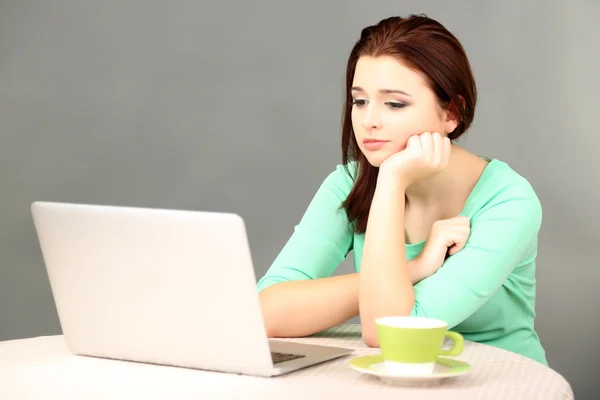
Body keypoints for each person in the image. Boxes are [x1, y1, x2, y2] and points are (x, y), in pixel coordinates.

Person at [256, 14, 548, 366]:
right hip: (397, 380)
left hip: (497, 380)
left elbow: (387, 332)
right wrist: (417, 266)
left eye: (394, 104)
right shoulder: (350, 183)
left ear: (452, 113)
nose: (368, 121)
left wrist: (392, 180)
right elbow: (265, 313)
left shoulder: (509, 201)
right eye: (359, 101)